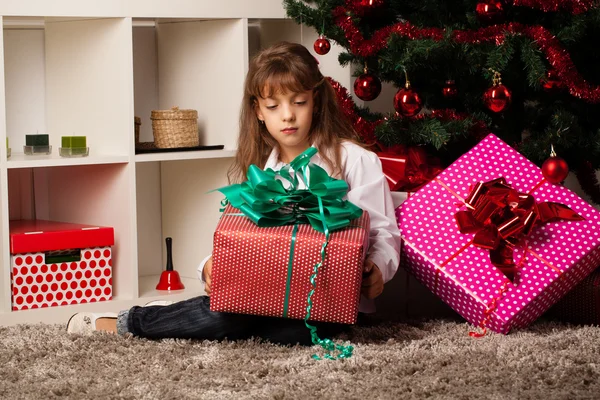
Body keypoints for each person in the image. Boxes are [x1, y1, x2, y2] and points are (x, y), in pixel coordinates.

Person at [67, 42, 401, 346]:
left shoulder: (355, 160)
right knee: (233, 314)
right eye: (273, 106)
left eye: (299, 102)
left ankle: (182, 316)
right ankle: (131, 321)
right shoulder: (260, 171)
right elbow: (236, 236)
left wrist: (376, 268)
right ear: (258, 111)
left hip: (325, 302)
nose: (288, 115)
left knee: (288, 332)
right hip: (259, 295)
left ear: (316, 100)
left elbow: (383, 232)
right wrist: (208, 267)